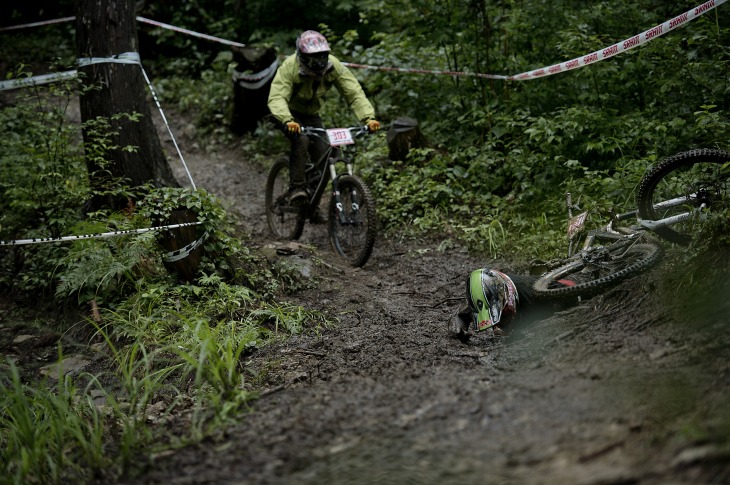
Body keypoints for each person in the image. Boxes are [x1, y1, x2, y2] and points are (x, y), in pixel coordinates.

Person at [267, 30, 381, 220]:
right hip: (288, 114)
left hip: (312, 115)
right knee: (301, 141)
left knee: (329, 151)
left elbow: (353, 92)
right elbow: (278, 96)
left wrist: (368, 118)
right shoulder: (290, 67)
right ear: (302, 57)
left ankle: (311, 204)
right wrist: (287, 120)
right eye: (313, 58)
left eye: (322, 57)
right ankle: (296, 189)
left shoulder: (333, 66)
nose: (318, 63)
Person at [449, 268, 575, 342]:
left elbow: (571, 290)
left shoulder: (530, 294)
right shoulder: (485, 297)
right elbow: (459, 317)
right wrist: (458, 331)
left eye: (503, 312)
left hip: (564, 283)